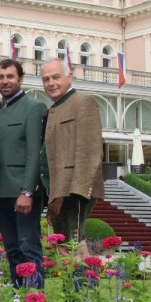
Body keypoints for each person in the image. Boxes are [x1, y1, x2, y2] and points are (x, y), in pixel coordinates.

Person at [0, 59, 47, 288]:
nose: (5, 81)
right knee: (12, 249)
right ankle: (19, 299)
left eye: (10, 76)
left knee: (28, 247)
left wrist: (27, 191)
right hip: (0, 190)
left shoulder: (34, 108)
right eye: (0, 77)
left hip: (22, 192)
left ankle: (34, 301)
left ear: (20, 79)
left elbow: (35, 153)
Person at [40, 58, 104, 260]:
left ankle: (83, 289)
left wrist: (75, 193)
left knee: (72, 246)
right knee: (67, 245)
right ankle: (78, 288)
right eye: (46, 79)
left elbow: (90, 151)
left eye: (56, 77)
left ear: (69, 77)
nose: (51, 83)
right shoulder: (54, 108)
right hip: (58, 190)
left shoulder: (83, 102)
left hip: (74, 191)